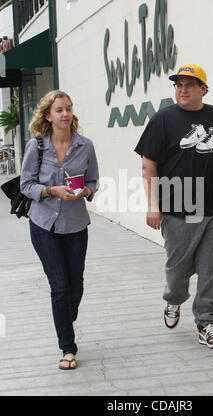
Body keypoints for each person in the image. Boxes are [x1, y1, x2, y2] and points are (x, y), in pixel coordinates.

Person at [135, 63, 213, 349]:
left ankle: (207, 323)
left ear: (203, 89)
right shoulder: (163, 119)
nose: (182, 90)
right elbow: (149, 165)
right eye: (178, 85)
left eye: (189, 85)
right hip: (178, 207)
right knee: (178, 270)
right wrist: (153, 205)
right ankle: (173, 300)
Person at [21, 90, 99, 368]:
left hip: (76, 224)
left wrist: (85, 190)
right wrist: (52, 190)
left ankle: (64, 317)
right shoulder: (37, 147)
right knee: (61, 286)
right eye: (59, 110)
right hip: (44, 224)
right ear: (48, 116)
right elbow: (25, 185)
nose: (65, 114)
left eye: (68, 108)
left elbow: (93, 181)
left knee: (75, 286)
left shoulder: (85, 146)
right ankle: (68, 347)